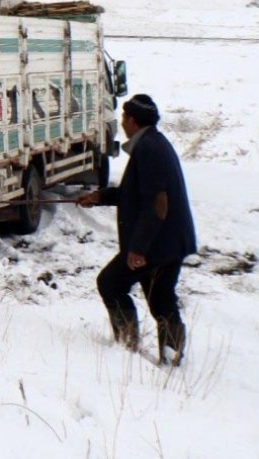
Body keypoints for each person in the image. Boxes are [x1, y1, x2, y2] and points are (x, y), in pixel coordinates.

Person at [78, 94, 196, 365]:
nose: (121, 123)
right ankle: (172, 354)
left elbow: (158, 204)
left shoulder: (149, 150)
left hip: (157, 245)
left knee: (110, 283)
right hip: (169, 241)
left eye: (123, 118)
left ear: (132, 120)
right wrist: (102, 197)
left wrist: (138, 248)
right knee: (161, 299)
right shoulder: (155, 143)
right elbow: (139, 194)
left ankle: (127, 344)